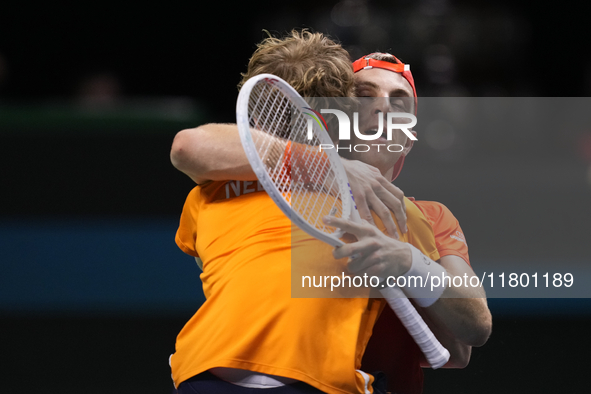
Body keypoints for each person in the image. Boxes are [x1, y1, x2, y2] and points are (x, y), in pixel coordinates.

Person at [170, 30, 451, 394]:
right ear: (336, 120)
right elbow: (461, 343)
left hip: (202, 372)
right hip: (316, 382)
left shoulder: (208, 193)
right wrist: (331, 166)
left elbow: (190, 149)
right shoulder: (389, 207)